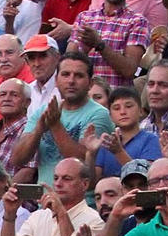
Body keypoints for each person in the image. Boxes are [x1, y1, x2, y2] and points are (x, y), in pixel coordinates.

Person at [10, 51, 110, 184]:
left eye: (79, 75)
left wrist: (55, 125)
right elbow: (17, 159)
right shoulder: (43, 111)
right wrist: (38, 131)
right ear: (56, 80)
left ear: (90, 84)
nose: (71, 81)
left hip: (82, 201)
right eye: (65, 74)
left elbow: (83, 165)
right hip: (45, 201)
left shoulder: (99, 114)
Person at [1, 156, 100, 236]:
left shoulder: (95, 221)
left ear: (84, 184)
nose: (58, 184)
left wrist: (61, 214)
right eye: (56, 178)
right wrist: (9, 215)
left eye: (66, 179)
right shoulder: (37, 217)